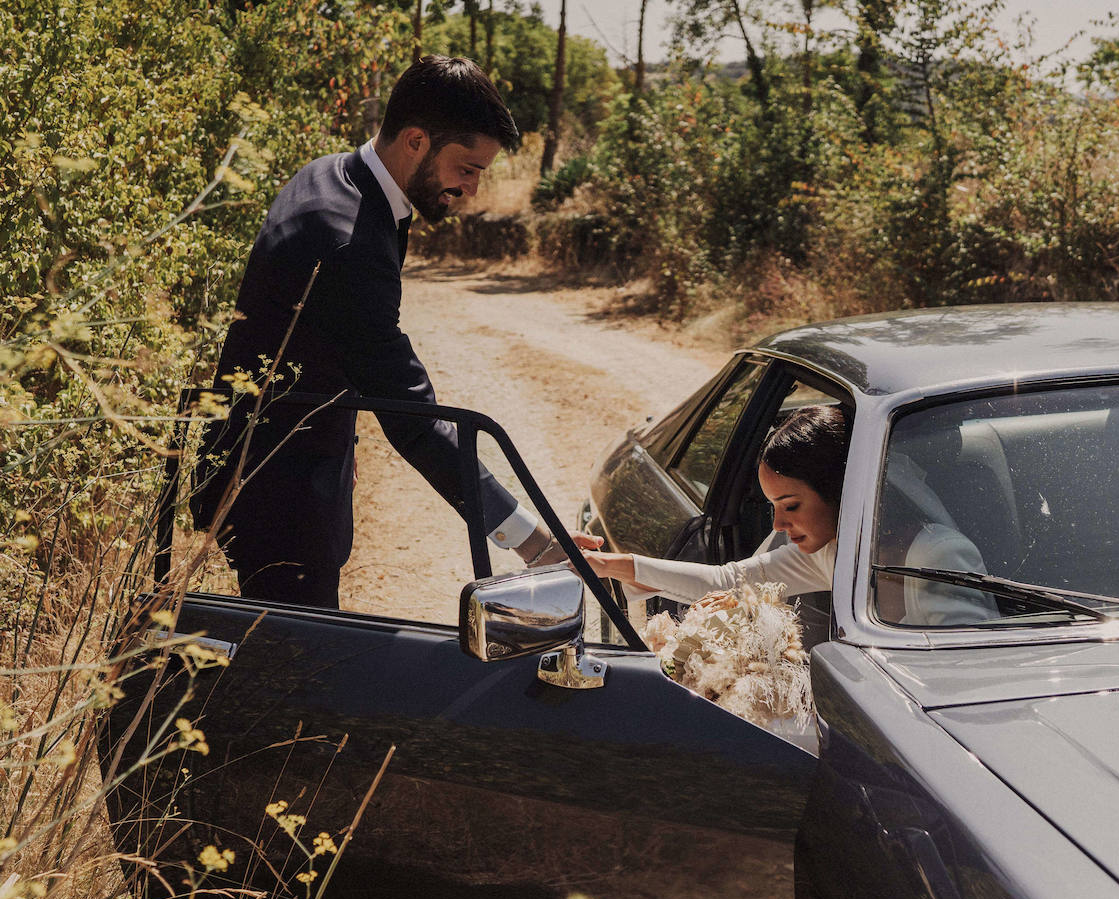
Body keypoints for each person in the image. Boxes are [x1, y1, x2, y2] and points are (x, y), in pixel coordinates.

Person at [192, 56, 583, 608]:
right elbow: (416, 421)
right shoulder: (348, 240)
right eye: (466, 168)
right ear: (417, 141)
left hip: (286, 461)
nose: (471, 189)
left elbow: (324, 343)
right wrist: (538, 545)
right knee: (295, 674)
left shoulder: (331, 174)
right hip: (281, 494)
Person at [582, 404, 998, 632]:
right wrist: (606, 565)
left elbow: (967, 676)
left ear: (841, 490)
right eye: (773, 508)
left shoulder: (940, 555)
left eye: (791, 505)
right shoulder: (829, 553)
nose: (778, 526)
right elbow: (728, 581)